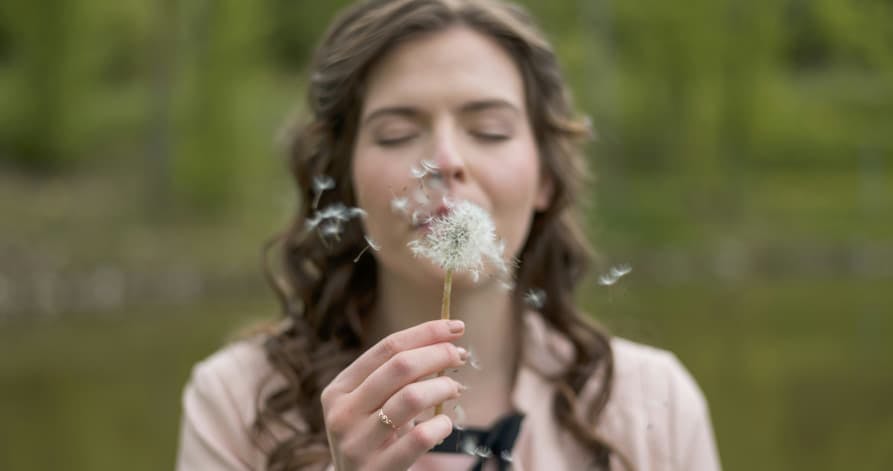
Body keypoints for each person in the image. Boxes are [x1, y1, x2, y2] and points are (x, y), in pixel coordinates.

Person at [175, 0, 721, 470]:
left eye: (490, 130)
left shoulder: (652, 403)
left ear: (546, 179)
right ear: (345, 180)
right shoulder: (239, 403)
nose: (445, 160)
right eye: (397, 133)